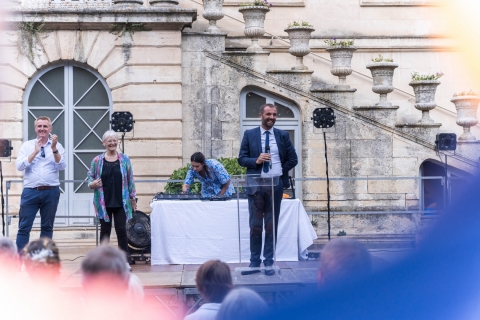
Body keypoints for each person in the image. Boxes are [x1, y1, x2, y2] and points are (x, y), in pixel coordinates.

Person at [238, 104, 298, 276]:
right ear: (261, 115)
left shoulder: (283, 135)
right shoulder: (249, 135)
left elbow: (293, 159)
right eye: (268, 114)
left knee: (271, 225)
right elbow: (241, 159)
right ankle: (254, 262)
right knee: (255, 226)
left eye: (274, 114)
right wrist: (256, 161)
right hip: (256, 185)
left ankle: (269, 262)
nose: (272, 117)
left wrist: (279, 170)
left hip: (275, 185)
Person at [15, 116, 66, 252]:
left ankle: (43, 262)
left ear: (50, 129)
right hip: (31, 191)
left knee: (47, 227)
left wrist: (54, 149)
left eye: (45, 126)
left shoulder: (57, 146)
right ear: (35, 128)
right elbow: (19, 166)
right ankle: (19, 262)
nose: (42, 129)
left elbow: (62, 165)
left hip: (51, 192)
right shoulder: (27, 145)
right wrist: (35, 152)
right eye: (39, 126)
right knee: (24, 227)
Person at [87, 130, 136, 268]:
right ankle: (102, 262)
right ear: (104, 143)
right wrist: (92, 184)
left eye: (114, 140)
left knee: (122, 230)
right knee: (105, 231)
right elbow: (89, 176)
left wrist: (132, 198)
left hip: (121, 202)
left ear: (117, 142)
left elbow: (130, 179)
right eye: (109, 141)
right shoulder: (97, 160)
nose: (112, 143)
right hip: (103, 202)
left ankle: (124, 261)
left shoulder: (125, 159)